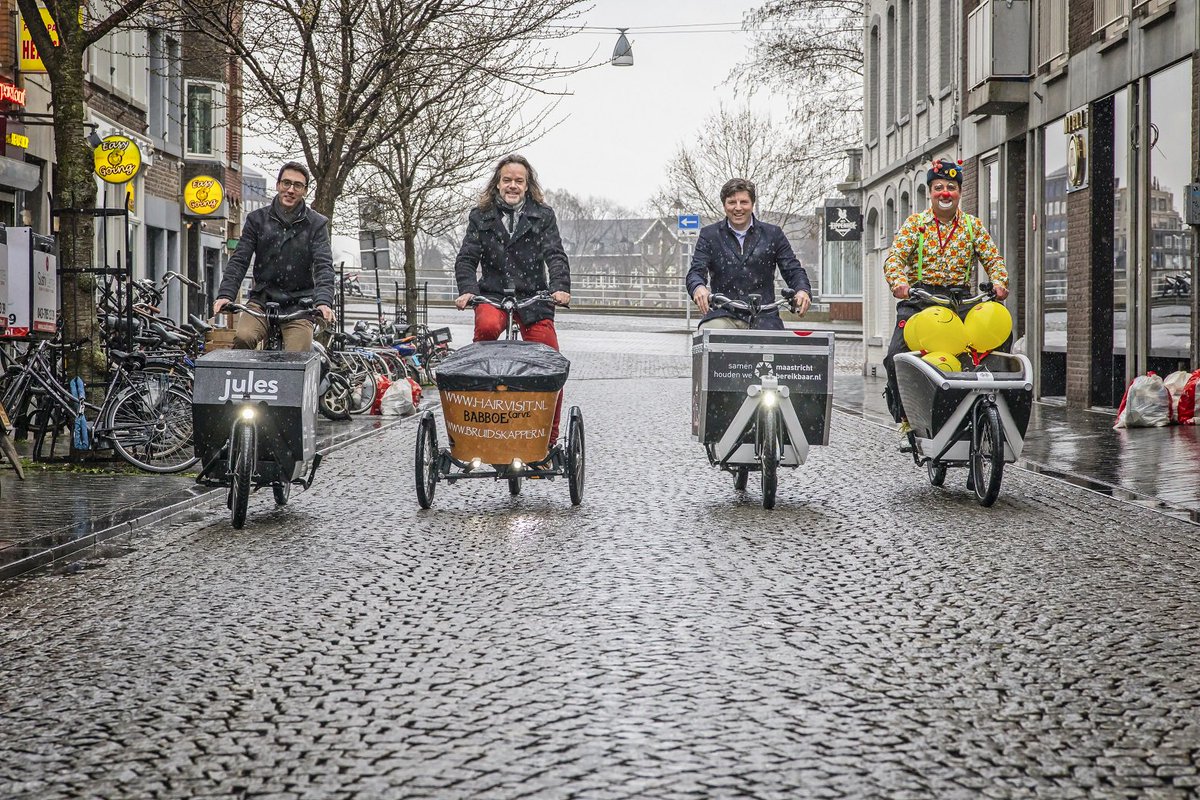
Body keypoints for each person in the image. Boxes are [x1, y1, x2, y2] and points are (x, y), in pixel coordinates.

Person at [882, 157, 1009, 425]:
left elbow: (993, 259)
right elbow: (894, 259)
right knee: (896, 356)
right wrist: (899, 283)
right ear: (930, 193)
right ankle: (905, 417)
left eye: (951, 187)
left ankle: (991, 408)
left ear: (960, 192)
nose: (945, 193)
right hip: (920, 299)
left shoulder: (973, 226)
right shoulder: (916, 224)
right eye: (938, 187)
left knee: (1000, 346)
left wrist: (999, 282)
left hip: (960, 299)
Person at [453, 153, 571, 440]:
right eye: (507, 180)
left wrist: (559, 287)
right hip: (493, 294)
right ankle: (479, 420)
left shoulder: (542, 216)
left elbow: (555, 254)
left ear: (527, 184)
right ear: (497, 183)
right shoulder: (481, 216)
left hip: (534, 297)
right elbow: (467, 258)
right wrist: (468, 289)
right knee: (487, 332)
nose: (513, 186)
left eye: (519, 181)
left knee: (549, 360)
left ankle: (547, 437)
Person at [213, 161, 335, 351]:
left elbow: (324, 266)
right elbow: (239, 259)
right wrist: (226, 295)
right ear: (278, 185)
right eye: (286, 183)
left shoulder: (316, 224)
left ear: (305, 190)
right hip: (262, 301)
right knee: (243, 338)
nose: (290, 190)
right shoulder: (257, 220)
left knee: (297, 359)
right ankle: (247, 380)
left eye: (297, 185)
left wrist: (323, 302)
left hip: (300, 307)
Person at [686, 178, 812, 329]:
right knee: (710, 333)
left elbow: (793, 270)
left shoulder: (773, 234)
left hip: (764, 316)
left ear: (752, 204)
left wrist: (802, 290)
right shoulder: (710, 235)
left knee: (774, 347)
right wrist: (698, 287)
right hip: (724, 314)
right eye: (732, 202)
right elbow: (695, 271)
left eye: (744, 202)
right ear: (724, 206)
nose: (738, 208)